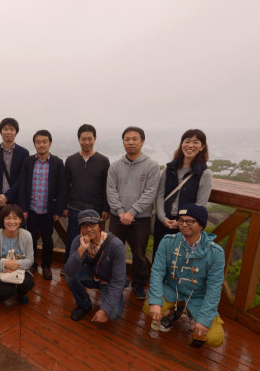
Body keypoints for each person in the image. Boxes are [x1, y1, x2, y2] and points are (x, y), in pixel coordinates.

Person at [146, 204, 225, 348]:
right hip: (172, 289)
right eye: (181, 220)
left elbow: (214, 288)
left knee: (215, 339)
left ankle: (191, 314)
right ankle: (175, 311)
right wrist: (156, 301)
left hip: (197, 296)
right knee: (150, 307)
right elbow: (157, 271)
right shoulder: (168, 241)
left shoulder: (215, 252)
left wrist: (204, 320)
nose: (183, 224)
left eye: (190, 221)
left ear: (201, 225)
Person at [106, 127, 160, 300]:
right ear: (123, 142)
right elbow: (111, 190)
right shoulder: (115, 166)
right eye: (127, 139)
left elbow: (150, 193)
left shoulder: (151, 166)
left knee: (139, 253)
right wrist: (121, 212)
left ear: (142, 141)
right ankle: (115, 280)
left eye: (134, 139)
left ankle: (139, 283)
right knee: (113, 250)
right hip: (117, 217)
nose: (130, 142)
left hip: (141, 218)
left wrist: (132, 212)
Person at [153, 129, 212, 255]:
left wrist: (181, 222)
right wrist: (162, 218)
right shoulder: (169, 168)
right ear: (182, 144)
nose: (190, 145)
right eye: (187, 141)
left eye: (196, 142)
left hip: (187, 226)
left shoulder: (205, 173)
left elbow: (200, 204)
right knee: (159, 257)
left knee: (180, 260)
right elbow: (160, 194)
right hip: (163, 223)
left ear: (202, 147)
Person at [17, 130, 67, 280]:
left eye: (44, 141)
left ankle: (46, 266)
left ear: (50, 143)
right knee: (30, 238)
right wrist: (23, 208)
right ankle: (32, 264)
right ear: (34, 144)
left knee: (47, 239)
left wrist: (58, 210)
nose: (41, 145)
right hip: (31, 208)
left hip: (48, 210)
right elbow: (22, 185)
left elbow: (62, 188)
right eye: (38, 142)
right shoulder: (28, 161)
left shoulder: (57, 162)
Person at [64, 209, 128, 323]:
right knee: (70, 277)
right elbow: (69, 271)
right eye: (84, 226)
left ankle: (112, 297)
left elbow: (119, 281)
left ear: (100, 226)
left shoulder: (115, 245)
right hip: (93, 276)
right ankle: (84, 304)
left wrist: (105, 310)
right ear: (80, 229)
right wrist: (81, 250)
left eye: (92, 225)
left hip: (109, 281)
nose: (88, 229)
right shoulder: (78, 241)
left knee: (113, 315)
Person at [63, 124, 110, 270]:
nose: (87, 142)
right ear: (79, 139)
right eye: (83, 139)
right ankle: (69, 266)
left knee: (95, 240)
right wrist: (64, 206)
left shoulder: (103, 161)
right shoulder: (71, 160)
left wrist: (106, 208)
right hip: (75, 208)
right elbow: (65, 186)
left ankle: (92, 268)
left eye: (90, 139)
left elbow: (106, 187)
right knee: (72, 239)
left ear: (95, 138)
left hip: (96, 209)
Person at [0, 204, 35, 304]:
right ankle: (1, 291)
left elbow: (30, 259)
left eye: (15, 218)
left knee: (28, 283)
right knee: (7, 291)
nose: (12, 222)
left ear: (20, 220)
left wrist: (13, 265)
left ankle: (22, 293)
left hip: (21, 269)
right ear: (3, 220)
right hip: (0, 271)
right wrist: (5, 265)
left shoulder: (27, 235)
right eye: (8, 218)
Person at [0, 118, 29, 231]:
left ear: (16, 132)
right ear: (1, 131)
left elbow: (21, 178)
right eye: (5, 129)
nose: (9, 132)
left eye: (12, 129)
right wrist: (0, 195)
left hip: (15, 200)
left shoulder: (23, 153)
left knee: (16, 232)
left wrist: (7, 196)